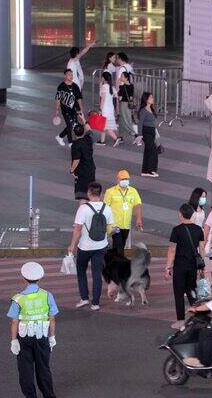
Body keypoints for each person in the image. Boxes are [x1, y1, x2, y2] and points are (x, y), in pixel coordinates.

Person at [8, 262, 58, 398]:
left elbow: (14, 321)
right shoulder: (47, 295)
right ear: (40, 278)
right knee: (44, 368)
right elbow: (52, 318)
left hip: (24, 338)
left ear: (23, 278)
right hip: (42, 336)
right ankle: (49, 395)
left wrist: (14, 340)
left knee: (25, 370)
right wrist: (52, 337)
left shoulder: (18, 298)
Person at [67, 182, 114, 311]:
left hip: (85, 247)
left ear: (89, 193)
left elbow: (77, 229)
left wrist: (72, 245)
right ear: (100, 193)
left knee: (81, 271)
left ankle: (84, 298)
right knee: (97, 274)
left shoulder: (83, 208)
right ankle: (96, 303)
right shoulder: (107, 208)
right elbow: (110, 228)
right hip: (101, 246)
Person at [165, 204, 204, 329]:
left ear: (181, 214)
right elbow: (201, 248)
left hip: (180, 266)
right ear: (192, 215)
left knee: (179, 292)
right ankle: (199, 316)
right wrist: (202, 264)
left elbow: (172, 249)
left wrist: (168, 266)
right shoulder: (198, 229)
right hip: (193, 265)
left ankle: (181, 320)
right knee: (191, 290)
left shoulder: (176, 230)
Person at [103, 170, 143, 255]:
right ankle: (119, 264)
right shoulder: (110, 192)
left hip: (126, 225)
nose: (124, 180)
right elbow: (105, 208)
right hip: (114, 225)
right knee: (119, 246)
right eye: (122, 179)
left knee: (120, 245)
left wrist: (139, 218)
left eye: (126, 179)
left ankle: (113, 262)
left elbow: (137, 205)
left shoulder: (133, 191)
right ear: (118, 180)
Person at [54, 69, 84, 146]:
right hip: (65, 110)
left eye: (72, 74)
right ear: (65, 76)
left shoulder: (75, 86)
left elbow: (79, 98)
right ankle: (70, 143)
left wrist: (81, 108)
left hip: (74, 110)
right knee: (70, 125)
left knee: (73, 125)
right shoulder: (61, 86)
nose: (71, 76)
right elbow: (58, 98)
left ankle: (60, 137)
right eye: (69, 74)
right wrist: (57, 109)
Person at [69, 124, 95, 203]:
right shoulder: (88, 140)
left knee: (83, 196)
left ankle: (82, 213)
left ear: (74, 133)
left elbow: (76, 160)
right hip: (91, 170)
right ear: (83, 132)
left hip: (82, 172)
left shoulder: (75, 145)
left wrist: (72, 170)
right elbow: (90, 131)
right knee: (90, 194)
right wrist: (83, 118)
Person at [137, 92, 159, 177]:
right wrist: (140, 135)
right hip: (146, 132)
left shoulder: (151, 109)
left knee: (148, 150)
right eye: (150, 98)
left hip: (152, 131)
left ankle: (145, 170)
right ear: (146, 100)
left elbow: (153, 123)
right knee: (153, 150)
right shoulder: (143, 111)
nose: (152, 99)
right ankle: (151, 170)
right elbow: (140, 123)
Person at [96, 72, 120, 146]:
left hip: (105, 108)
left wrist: (100, 109)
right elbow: (116, 95)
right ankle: (102, 141)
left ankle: (116, 138)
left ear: (103, 78)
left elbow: (102, 99)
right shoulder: (111, 87)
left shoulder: (104, 87)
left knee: (105, 126)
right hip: (110, 108)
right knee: (103, 125)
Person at [117, 72, 139, 146]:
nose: (120, 77)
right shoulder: (131, 85)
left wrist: (120, 88)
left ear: (126, 78)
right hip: (129, 105)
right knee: (121, 120)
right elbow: (131, 96)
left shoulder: (123, 86)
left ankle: (134, 134)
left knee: (125, 120)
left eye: (122, 76)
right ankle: (120, 136)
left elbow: (120, 97)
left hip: (123, 104)